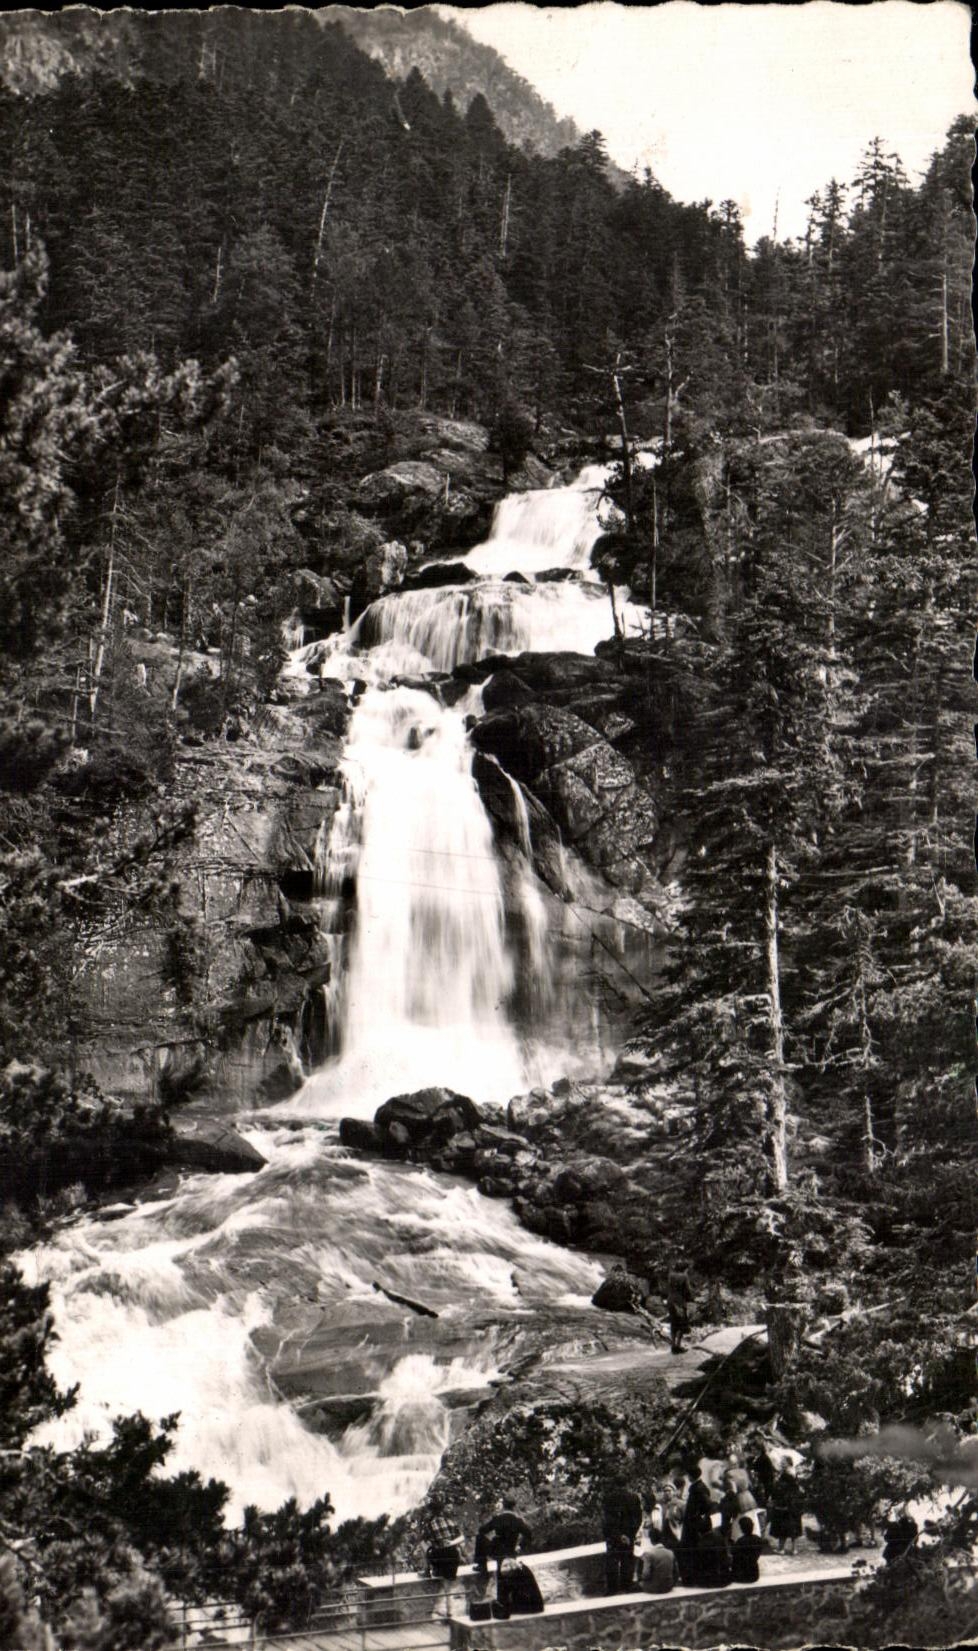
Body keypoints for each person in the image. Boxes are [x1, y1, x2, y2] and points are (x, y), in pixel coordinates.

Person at [602, 1476, 644, 1595]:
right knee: (627, 1559)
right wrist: (629, 1534)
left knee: (612, 1560)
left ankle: (612, 1588)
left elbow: (608, 1520)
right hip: (628, 1536)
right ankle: (627, 1585)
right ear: (627, 1484)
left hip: (613, 1536)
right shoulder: (633, 1497)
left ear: (615, 1484)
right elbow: (638, 1518)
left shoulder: (608, 1498)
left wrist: (618, 1535)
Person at [474, 1497, 532, 1578]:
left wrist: (494, 1517)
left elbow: (482, 1530)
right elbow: (529, 1534)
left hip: (497, 1551)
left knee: (479, 1537)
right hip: (511, 1551)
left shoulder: (498, 1518)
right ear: (513, 1507)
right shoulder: (517, 1520)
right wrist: (520, 1546)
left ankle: (482, 1565)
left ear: (503, 1506)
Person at [678, 1464, 714, 1584]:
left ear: (690, 1476)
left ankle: (692, 1578)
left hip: (693, 1525)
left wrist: (697, 1517)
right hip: (693, 1523)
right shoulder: (699, 1487)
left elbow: (707, 1506)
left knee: (690, 1550)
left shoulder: (698, 1489)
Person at [425, 1495, 465, 1580]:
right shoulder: (450, 1522)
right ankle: (446, 1573)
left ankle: (428, 1571)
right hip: (453, 1559)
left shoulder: (429, 1525)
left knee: (430, 1550)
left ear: (432, 1512)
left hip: (441, 1559)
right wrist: (451, 1543)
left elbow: (428, 1542)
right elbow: (462, 1537)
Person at [767, 1465, 804, 1555]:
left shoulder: (778, 1485)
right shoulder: (795, 1486)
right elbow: (801, 1496)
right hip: (793, 1510)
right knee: (794, 1531)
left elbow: (773, 1496)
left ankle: (781, 1548)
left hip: (781, 1510)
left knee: (781, 1531)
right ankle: (794, 1549)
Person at [665, 1265, 694, 1354]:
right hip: (679, 1301)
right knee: (681, 1323)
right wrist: (691, 1297)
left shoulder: (671, 1275)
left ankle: (673, 1345)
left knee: (673, 1322)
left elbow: (668, 1288)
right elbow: (687, 1289)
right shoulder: (684, 1276)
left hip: (670, 1300)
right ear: (684, 1268)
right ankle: (678, 1345)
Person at [731, 1515, 768, 1583]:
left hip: (740, 1575)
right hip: (754, 1575)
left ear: (742, 1528)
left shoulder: (740, 1541)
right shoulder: (758, 1539)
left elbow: (734, 1556)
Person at [719, 1470, 758, 1535]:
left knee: (739, 1519)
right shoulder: (743, 1471)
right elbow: (750, 1485)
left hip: (739, 1498)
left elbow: (734, 1490)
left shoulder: (730, 1475)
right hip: (748, 1496)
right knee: (750, 1517)